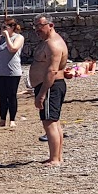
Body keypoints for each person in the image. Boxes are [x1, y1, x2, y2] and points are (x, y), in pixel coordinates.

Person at [31, 16, 69, 166]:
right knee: (54, 122)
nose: (37, 30)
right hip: (49, 86)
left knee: (50, 123)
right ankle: (57, 156)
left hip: (50, 86)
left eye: (40, 26)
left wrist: (42, 94)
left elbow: (52, 70)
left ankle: (55, 159)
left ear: (51, 25)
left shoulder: (53, 44)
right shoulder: (48, 42)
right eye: (35, 26)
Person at [0, 19, 25, 128]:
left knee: (11, 95)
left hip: (12, 72)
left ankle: (12, 120)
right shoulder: (0, 38)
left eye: (5, 28)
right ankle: (2, 119)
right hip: (0, 71)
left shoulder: (18, 37)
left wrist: (7, 37)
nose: (2, 30)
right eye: (1, 28)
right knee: (2, 96)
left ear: (12, 28)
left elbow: (13, 49)